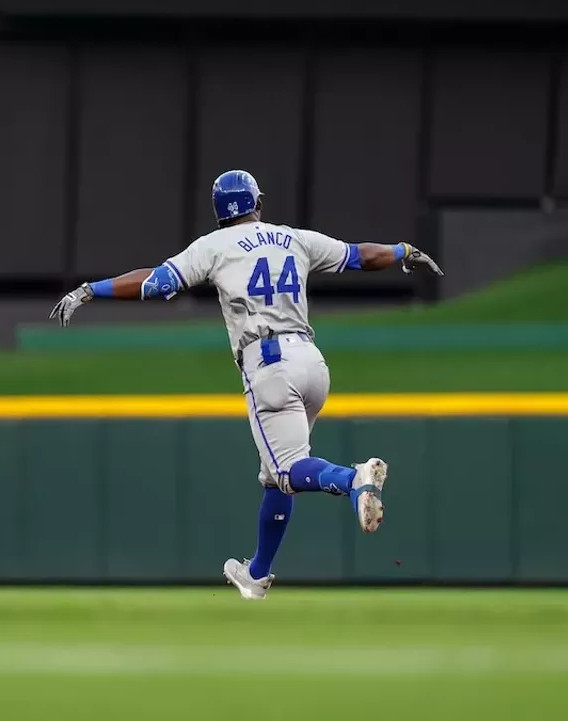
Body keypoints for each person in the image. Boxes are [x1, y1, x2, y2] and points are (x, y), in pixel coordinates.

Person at [50, 169, 443, 600]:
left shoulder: (214, 246)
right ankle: (257, 573)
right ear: (259, 202)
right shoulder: (293, 237)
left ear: (219, 213)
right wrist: (403, 250)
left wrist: (91, 290)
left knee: (289, 470)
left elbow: (154, 282)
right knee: (275, 477)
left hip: (269, 363)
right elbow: (360, 256)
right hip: (312, 362)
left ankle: (353, 480)